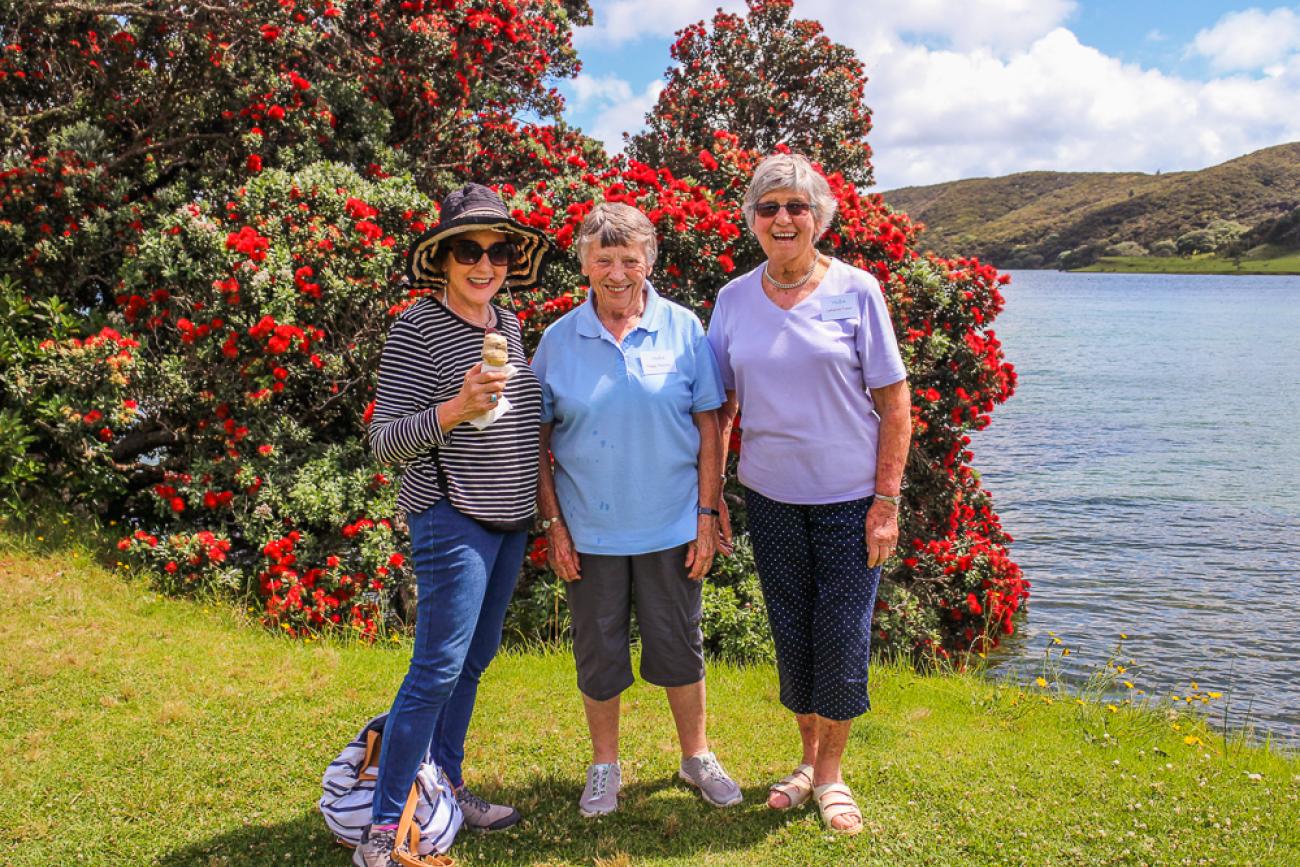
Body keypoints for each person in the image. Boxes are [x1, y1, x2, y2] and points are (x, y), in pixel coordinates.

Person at [707, 153, 911, 835]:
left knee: (842, 636)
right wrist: (715, 500)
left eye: (796, 206)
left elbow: (895, 401)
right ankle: (805, 761)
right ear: (753, 222)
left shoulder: (858, 291)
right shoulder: (733, 299)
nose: (783, 218)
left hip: (851, 499)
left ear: (819, 217)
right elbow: (721, 409)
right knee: (792, 633)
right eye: (769, 208)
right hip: (770, 497)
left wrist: (888, 501)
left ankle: (829, 776)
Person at [355, 183, 551, 867]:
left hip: (508, 516)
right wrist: (453, 407)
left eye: (496, 251)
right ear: (442, 257)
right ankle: (383, 827)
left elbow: (520, 421)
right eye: (469, 249)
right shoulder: (417, 326)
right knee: (436, 666)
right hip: (448, 511)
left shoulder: (509, 324)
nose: (484, 263)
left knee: (474, 658)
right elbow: (384, 441)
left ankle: (446, 785)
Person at [533, 202, 742, 818]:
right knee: (597, 651)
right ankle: (604, 768)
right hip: (589, 531)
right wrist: (553, 526)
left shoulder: (684, 328)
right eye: (604, 259)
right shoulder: (558, 339)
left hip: (672, 524)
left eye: (630, 259)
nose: (618, 273)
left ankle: (695, 756)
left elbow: (711, 427)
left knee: (680, 645)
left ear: (650, 261)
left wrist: (707, 514)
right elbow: (538, 441)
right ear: (585, 266)